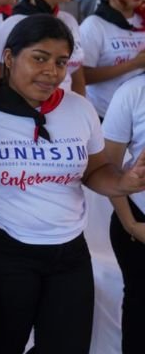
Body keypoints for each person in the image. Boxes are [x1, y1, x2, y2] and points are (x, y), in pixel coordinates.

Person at [0, 13, 145, 353]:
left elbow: (95, 170)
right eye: (39, 58)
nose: (52, 72)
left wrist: (124, 182)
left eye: (61, 62)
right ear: (9, 58)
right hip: (5, 254)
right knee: (3, 345)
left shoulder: (79, 109)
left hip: (69, 254)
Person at [0, 0, 86, 95]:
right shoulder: (14, 24)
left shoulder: (69, 21)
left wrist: (80, 104)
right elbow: (3, 77)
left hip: (67, 105)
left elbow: (77, 75)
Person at [102, 63, 145, 354]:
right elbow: (109, 168)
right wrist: (131, 225)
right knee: (141, 308)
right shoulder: (133, 92)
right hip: (138, 219)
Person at [81, 0, 145, 119]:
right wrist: (133, 64)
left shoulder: (142, 20)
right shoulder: (94, 25)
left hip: (139, 115)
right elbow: (82, 77)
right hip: (104, 115)